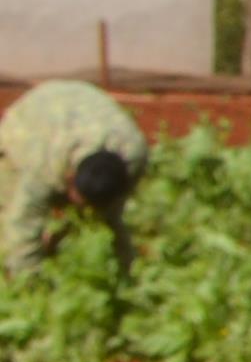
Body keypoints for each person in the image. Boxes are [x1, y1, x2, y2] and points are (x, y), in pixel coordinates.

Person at [0, 75, 151, 274]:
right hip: (34, 117)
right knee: (9, 217)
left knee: (110, 220)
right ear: (70, 177)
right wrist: (30, 285)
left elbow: (112, 215)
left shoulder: (134, 154)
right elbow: (23, 224)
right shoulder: (44, 165)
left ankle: (126, 271)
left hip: (83, 103)